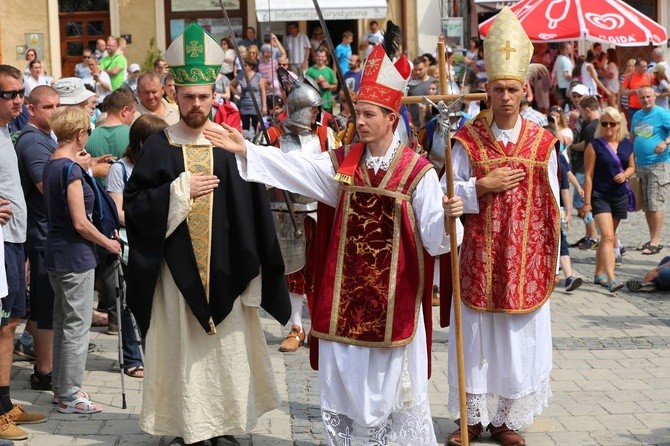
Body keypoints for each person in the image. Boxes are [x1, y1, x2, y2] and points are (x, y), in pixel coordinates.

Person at [211, 40, 464, 445]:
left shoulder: (418, 173)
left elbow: (436, 239)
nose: (359, 121)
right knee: (346, 388)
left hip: (395, 299)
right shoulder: (343, 164)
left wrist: (452, 221)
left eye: (368, 114)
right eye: (357, 113)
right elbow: (295, 169)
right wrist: (247, 149)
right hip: (345, 299)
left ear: (390, 117)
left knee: (393, 396)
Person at [123, 23, 290, 446]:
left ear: (214, 96)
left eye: (203, 96)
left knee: (226, 355)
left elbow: (255, 207)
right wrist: (179, 191)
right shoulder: (159, 146)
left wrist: (255, 272)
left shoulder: (229, 143)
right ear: (174, 96)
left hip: (229, 267)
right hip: (176, 278)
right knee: (183, 354)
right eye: (188, 97)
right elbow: (136, 205)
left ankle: (225, 426)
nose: (196, 104)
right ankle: (185, 427)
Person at [447, 8, 559, 446]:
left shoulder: (542, 142)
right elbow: (448, 196)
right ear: (487, 91)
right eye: (498, 88)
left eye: (512, 88)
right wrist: (481, 186)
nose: (506, 96)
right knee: (473, 339)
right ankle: (471, 418)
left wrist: (546, 255)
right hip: (476, 253)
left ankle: (507, 419)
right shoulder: (465, 141)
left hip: (523, 258)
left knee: (517, 341)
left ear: (524, 91)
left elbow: (552, 202)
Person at [43, 106, 121, 415]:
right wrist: (108, 243)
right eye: (86, 132)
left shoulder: (54, 163)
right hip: (74, 256)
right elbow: (80, 222)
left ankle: (62, 387)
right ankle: (70, 393)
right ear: (79, 135)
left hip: (57, 253)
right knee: (75, 326)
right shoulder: (69, 169)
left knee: (64, 322)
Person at [0, 65, 48, 442]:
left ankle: (4, 404)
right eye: (10, 94)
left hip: (15, 239)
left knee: (13, 320)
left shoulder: (7, 131)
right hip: (0, 243)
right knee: (2, 325)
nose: (18, 100)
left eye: (20, 93)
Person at [106, 113, 169, 378]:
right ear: (141, 142)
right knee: (132, 303)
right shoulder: (120, 169)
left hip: (162, 242)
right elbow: (116, 209)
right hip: (131, 244)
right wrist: (147, 215)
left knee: (160, 302)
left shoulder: (165, 165)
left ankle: (158, 353)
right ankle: (133, 356)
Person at [14, 86, 61, 392]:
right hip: (40, 233)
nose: (54, 112)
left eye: (57, 106)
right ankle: (44, 371)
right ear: (31, 109)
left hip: (45, 233)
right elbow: (48, 186)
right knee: (46, 302)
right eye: (47, 107)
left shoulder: (45, 138)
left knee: (46, 301)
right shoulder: (32, 141)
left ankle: (36, 350)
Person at [582, 107, 635, 292]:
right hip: (600, 195)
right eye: (604, 123)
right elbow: (588, 175)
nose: (608, 127)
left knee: (607, 238)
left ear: (618, 124)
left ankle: (598, 274)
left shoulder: (627, 144)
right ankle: (611, 278)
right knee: (608, 237)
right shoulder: (594, 145)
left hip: (619, 195)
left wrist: (625, 175)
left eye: (612, 123)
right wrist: (587, 203)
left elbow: (632, 166)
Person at [630, 85, 670, 255]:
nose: (645, 100)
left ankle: (656, 240)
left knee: (655, 203)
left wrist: (666, 141)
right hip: (641, 165)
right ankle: (651, 237)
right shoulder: (637, 115)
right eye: (642, 98)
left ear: (654, 96)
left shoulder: (662, 113)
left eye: (648, 96)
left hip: (658, 164)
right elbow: (633, 137)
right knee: (646, 205)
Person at [570, 94, 601, 250]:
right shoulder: (600, 124)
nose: (581, 115)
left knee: (581, 204)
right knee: (582, 204)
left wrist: (573, 146)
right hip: (587, 169)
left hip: (584, 168)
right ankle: (590, 234)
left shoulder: (590, 128)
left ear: (588, 110)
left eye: (582, 112)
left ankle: (593, 235)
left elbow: (589, 149)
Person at [230, 57, 267, 134]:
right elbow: (231, 85)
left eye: (245, 65)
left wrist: (264, 106)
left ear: (251, 66)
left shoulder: (258, 76)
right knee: (245, 128)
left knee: (257, 127)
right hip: (244, 106)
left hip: (256, 106)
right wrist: (237, 93)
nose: (243, 66)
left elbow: (263, 92)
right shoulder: (241, 75)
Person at [620, 59, 652, 125]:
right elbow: (622, 91)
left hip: (646, 107)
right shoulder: (629, 76)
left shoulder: (648, 76)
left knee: (647, 130)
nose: (645, 69)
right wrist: (633, 91)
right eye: (643, 67)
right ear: (637, 67)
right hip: (634, 108)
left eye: (646, 67)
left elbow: (659, 83)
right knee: (635, 129)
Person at [407, 56, 436, 127]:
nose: (417, 72)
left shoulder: (434, 82)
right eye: (415, 69)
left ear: (426, 67)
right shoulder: (410, 84)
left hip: (432, 124)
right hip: (415, 125)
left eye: (420, 69)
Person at [305, 49, 337, 113]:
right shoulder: (310, 71)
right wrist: (316, 82)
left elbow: (335, 87)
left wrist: (328, 86)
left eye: (322, 56)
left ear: (325, 58)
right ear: (315, 57)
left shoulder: (330, 71)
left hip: (327, 103)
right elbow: (305, 87)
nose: (320, 58)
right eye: (319, 56)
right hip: (314, 104)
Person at [552, 42, 574, 107]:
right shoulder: (565, 60)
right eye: (568, 48)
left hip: (560, 85)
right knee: (567, 106)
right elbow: (566, 74)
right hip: (566, 86)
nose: (570, 50)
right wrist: (575, 79)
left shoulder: (559, 58)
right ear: (564, 50)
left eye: (570, 48)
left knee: (562, 105)